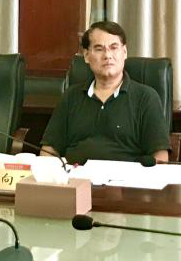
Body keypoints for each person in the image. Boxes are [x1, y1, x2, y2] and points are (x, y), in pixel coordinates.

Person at [41, 20, 170, 164]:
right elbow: (49, 150)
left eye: (114, 48)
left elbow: (160, 157)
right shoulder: (71, 96)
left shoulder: (146, 98)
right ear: (86, 56)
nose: (107, 55)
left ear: (124, 52)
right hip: (76, 175)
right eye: (99, 49)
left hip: (126, 177)